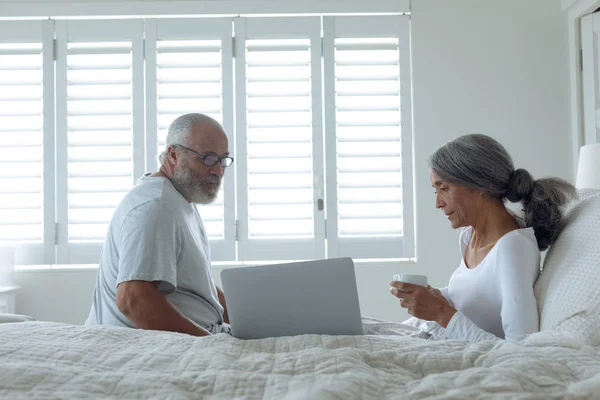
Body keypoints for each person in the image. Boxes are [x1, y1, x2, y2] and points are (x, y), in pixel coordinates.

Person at [390, 134, 576, 341]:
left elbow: (521, 345)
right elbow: (477, 296)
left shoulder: (512, 248)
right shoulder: (470, 236)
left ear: (480, 186)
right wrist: (437, 297)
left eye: (444, 189)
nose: (438, 203)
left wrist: (441, 313)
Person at [85, 113, 234, 336]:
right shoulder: (156, 206)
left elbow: (199, 291)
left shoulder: (180, 199)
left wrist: (251, 317)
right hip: (147, 347)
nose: (218, 170)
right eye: (208, 158)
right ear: (174, 155)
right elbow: (132, 298)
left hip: (208, 333)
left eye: (223, 159)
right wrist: (207, 343)